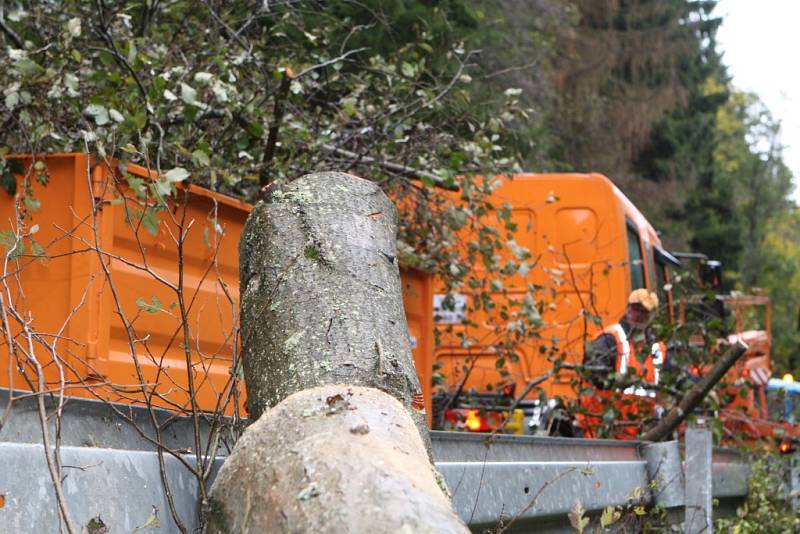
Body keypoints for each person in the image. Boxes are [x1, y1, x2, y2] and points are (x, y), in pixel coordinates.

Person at [584, 288, 666, 395]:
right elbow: (592, 372)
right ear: (627, 309)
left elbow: (674, 379)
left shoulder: (659, 348)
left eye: (645, 312)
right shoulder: (610, 338)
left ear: (653, 316)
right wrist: (616, 381)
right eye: (636, 309)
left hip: (644, 411)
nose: (639, 315)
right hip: (603, 410)